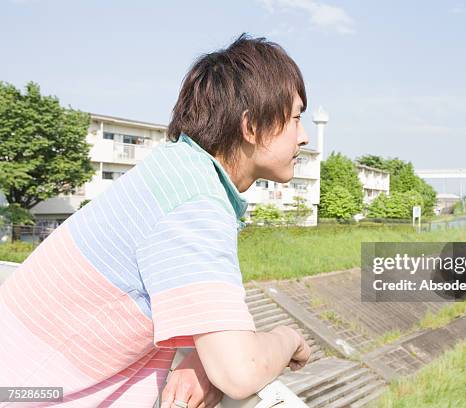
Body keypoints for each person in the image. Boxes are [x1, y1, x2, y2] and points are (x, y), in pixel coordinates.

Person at [0, 33, 311, 407]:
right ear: (251, 127)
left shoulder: (177, 173)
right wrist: (288, 336)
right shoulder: (195, 200)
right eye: (295, 118)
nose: (304, 137)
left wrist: (202, 352)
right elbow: (240, 370)